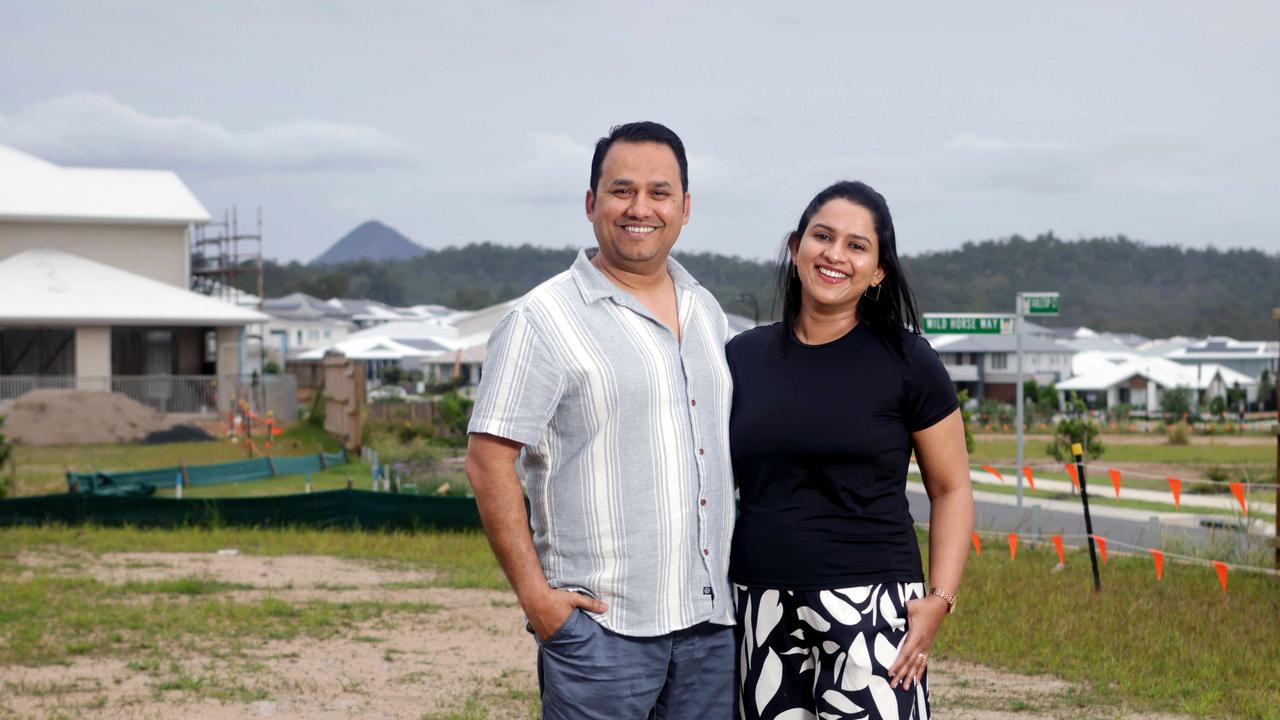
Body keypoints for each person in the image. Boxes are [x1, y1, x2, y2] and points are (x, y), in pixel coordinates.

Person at [466, 121, 737, 719]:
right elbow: (488, 461)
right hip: (601, 633)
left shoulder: (706, 308)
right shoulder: (543, 319)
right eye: (622, 190)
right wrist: (538, 601)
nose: (640, 208)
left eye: (659, 192)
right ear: (591, 203)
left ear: (685, 208)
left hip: (712, 629)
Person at [726, 180, 974, 719]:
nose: (835, 254)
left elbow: (951, 488)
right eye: (823, 237)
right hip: (759, 602)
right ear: (796, 249)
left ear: (879, 271)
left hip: (874, 608)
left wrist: (941, 600)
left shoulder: (909, 361)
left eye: (857, 245)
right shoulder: (742, 358)